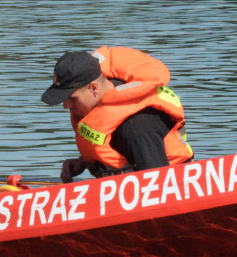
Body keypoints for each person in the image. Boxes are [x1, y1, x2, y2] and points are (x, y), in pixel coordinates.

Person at [41, 47, 193, 183]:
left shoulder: (137, 127)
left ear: (93, 88)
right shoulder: (100, 105)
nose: (65, 106)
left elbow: (161, 187)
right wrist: (83, 162)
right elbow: (119, 148)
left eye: (72, 98)